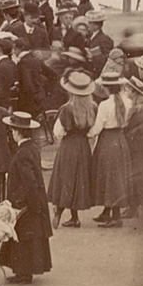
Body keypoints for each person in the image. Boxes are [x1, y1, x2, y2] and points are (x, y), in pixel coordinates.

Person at [0, 112, 52, 285]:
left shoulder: (22, 153)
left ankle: (23, 273)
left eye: (13, 130)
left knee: (23, 237)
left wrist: (25, 202)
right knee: (29, 237)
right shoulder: (32, 148)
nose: (12, 133)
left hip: (26, 202)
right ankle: (24, 271)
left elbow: (29, 181)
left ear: (18, 132)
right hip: (32, 200)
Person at [48, 70, 97, 228]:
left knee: (65, 178)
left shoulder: (66, 109)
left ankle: (60, 211)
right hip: (83, 145)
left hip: (68, 145)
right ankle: (74, 217)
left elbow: (58, 131)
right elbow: (93, 131)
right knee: (78, 179)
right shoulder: (92, 107)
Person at [89, 57, 134, 227]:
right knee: (116, 177)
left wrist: (87, 134)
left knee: (109, 177)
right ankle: (107, 211)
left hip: (107, 141)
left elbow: (97, 128)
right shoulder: (127, 102)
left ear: (106, 88)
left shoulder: (105, 105)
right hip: (120, 140)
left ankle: (115, 217)